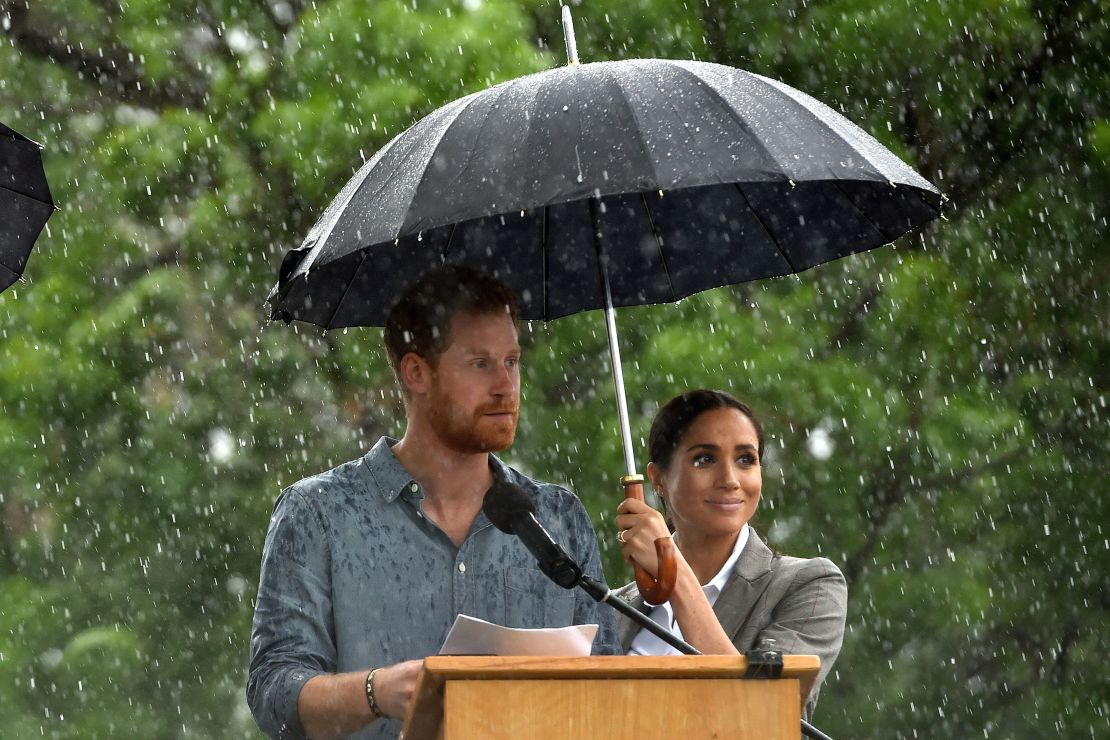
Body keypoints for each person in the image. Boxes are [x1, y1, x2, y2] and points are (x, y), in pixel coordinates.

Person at [247, 266, 620, 739]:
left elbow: (610, 688)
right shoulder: (317, 513)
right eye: (480, 364)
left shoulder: (558, 518)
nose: (506, 385)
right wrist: (375, 692)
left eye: (512, 360)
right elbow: (273, 690)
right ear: (417, 372)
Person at [614, 389, 847, 720]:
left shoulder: (810, 585)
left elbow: (760, 714)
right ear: (659, 479)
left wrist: (674, 573)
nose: (729, 480)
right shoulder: (610, 608)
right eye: (705, 459)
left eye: (745, 460)